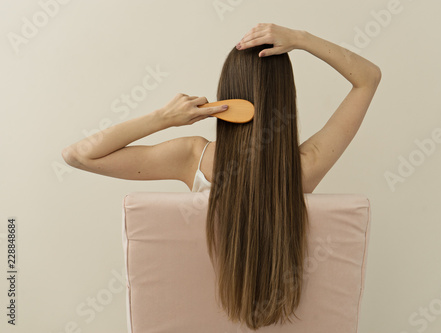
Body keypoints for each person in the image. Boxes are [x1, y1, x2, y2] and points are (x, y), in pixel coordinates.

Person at [61, 23, 381, 330]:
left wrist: (164, 117)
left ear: (227, 94)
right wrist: (301, 38)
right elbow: (368, 78)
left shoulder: (191, 158)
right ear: (286, 99)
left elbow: (77, 154)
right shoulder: (305, 167)